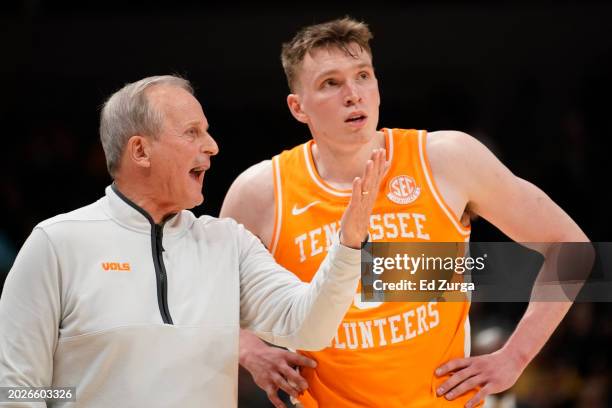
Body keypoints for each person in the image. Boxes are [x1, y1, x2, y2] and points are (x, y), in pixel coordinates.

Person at [220, 18, 589, 408]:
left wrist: (515, 357)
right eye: (331, 83)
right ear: (298, 107)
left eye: (362, 75)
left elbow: (572, 248)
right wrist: (249, 351)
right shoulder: (260, 192)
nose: (353, 94)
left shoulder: (446, 160)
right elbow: (207, 296)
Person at [0, 75, 388, 407]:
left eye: (206, 131)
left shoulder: (227, 242)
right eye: (192, 132)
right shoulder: (56, 244)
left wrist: (350, 244)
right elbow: (15, 388)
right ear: (140, 150)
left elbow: (309, 327)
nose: (212, 146)